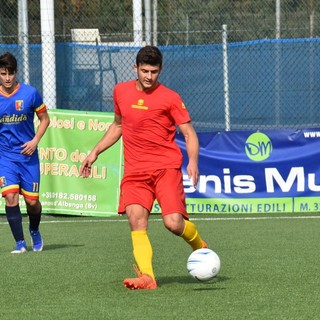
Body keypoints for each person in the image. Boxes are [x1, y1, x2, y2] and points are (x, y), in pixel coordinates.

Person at [80, 45, 207, 290]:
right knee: (136, 219)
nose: (149, 76)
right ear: (135, 68)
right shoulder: (120, 92)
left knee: (173, 224)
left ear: (160, 71)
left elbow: (189, 134)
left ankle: (199, 245)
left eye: (154, 71)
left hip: (165, 169)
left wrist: (193, 162)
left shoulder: (170, 97)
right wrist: (95, 152)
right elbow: (118, 126)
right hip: (135, 171)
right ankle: (148, 277)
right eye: (145, 70)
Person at [0, 52, 50, 253]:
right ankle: (20, 243)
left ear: (16, 72)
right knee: (10, 197)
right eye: (3, 73)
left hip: (28, 157)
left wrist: (35, 141)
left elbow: (45, 119)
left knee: (32, 202)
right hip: (6, 156)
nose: (7, 78)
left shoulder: (30, 93)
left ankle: (34, 229)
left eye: (11, 73)